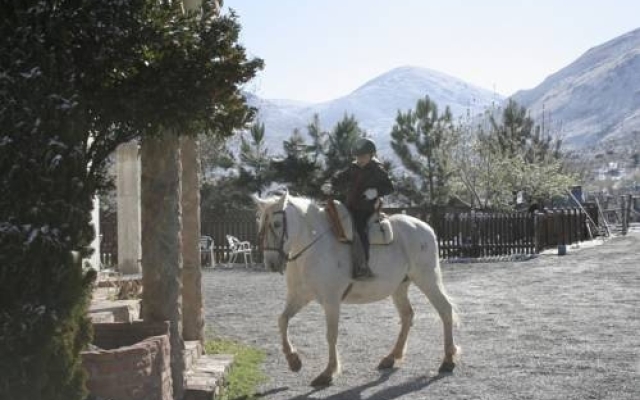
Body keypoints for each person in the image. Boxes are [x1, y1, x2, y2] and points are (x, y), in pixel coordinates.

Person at [329, 137, 394, 280]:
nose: (360, 159)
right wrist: (330, 183)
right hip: (350, 206)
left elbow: (389, 187)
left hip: (366, 209)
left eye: (363, 156)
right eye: (358, 157)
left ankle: (362, 267)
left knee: (359, 231)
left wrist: (376, 192)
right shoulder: (353, 168)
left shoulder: (378, 170)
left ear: (371, 155)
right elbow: (340, 178)